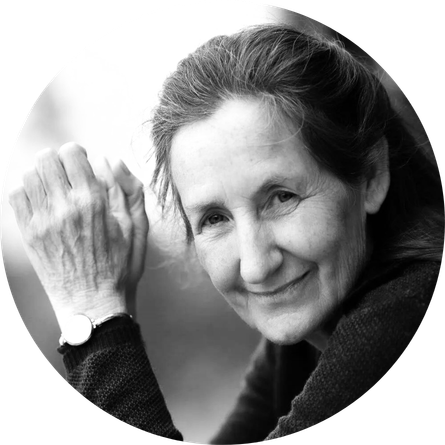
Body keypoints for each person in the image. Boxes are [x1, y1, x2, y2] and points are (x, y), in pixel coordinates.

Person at [8, 24, 444, 442]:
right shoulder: (305, 340)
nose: (256, 267)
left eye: (282, 197)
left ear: (371, 175)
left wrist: (92, 310)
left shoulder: (407, 308)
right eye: (215, 219)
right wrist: (112, 312)